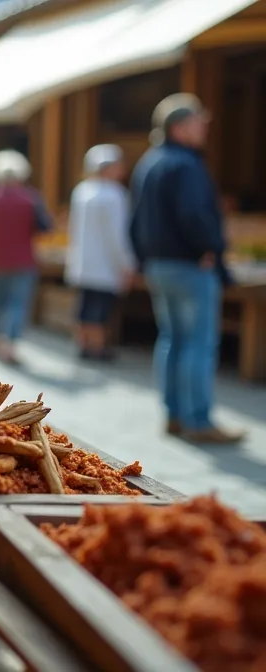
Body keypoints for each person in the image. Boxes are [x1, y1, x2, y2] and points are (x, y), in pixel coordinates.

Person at [130, 93, 243, 443]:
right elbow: (194, 215)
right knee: (198, 343)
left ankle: (175, 414)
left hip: (159, 266)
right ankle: (198, 419)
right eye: (198, 122)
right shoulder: (186, 164)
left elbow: (134, 221)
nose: (204, 129)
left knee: (172, 340)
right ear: (179, 126)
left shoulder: (148, 162)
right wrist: (210, 248)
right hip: (190, 266)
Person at [0, 150, 52, 365]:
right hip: (23, 259)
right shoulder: (30, 199)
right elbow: (45, 226)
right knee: (17, 303)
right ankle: (9, 346)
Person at [66, 144, 136, 361]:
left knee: (85, 306)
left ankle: (83, 343)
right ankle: (96, 347)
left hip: (83, 261)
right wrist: (127, 263)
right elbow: (118, 235)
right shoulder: (114, 195)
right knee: (100, 309)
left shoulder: (82, 191)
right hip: (105, 263)